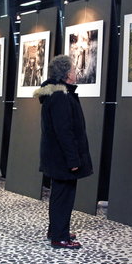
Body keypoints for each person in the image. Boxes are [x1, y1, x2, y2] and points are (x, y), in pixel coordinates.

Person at [33, 55, 93, 249]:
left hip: (56, 156)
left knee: (59, 194)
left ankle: (56, 229)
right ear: (67, 74)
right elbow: (64, 130)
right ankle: (60, 237)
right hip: (62, 158)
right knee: (64, 196)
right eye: (74, 70)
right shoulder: (60, 96)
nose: (76, 73)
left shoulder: (56, 93)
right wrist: (73, 159)